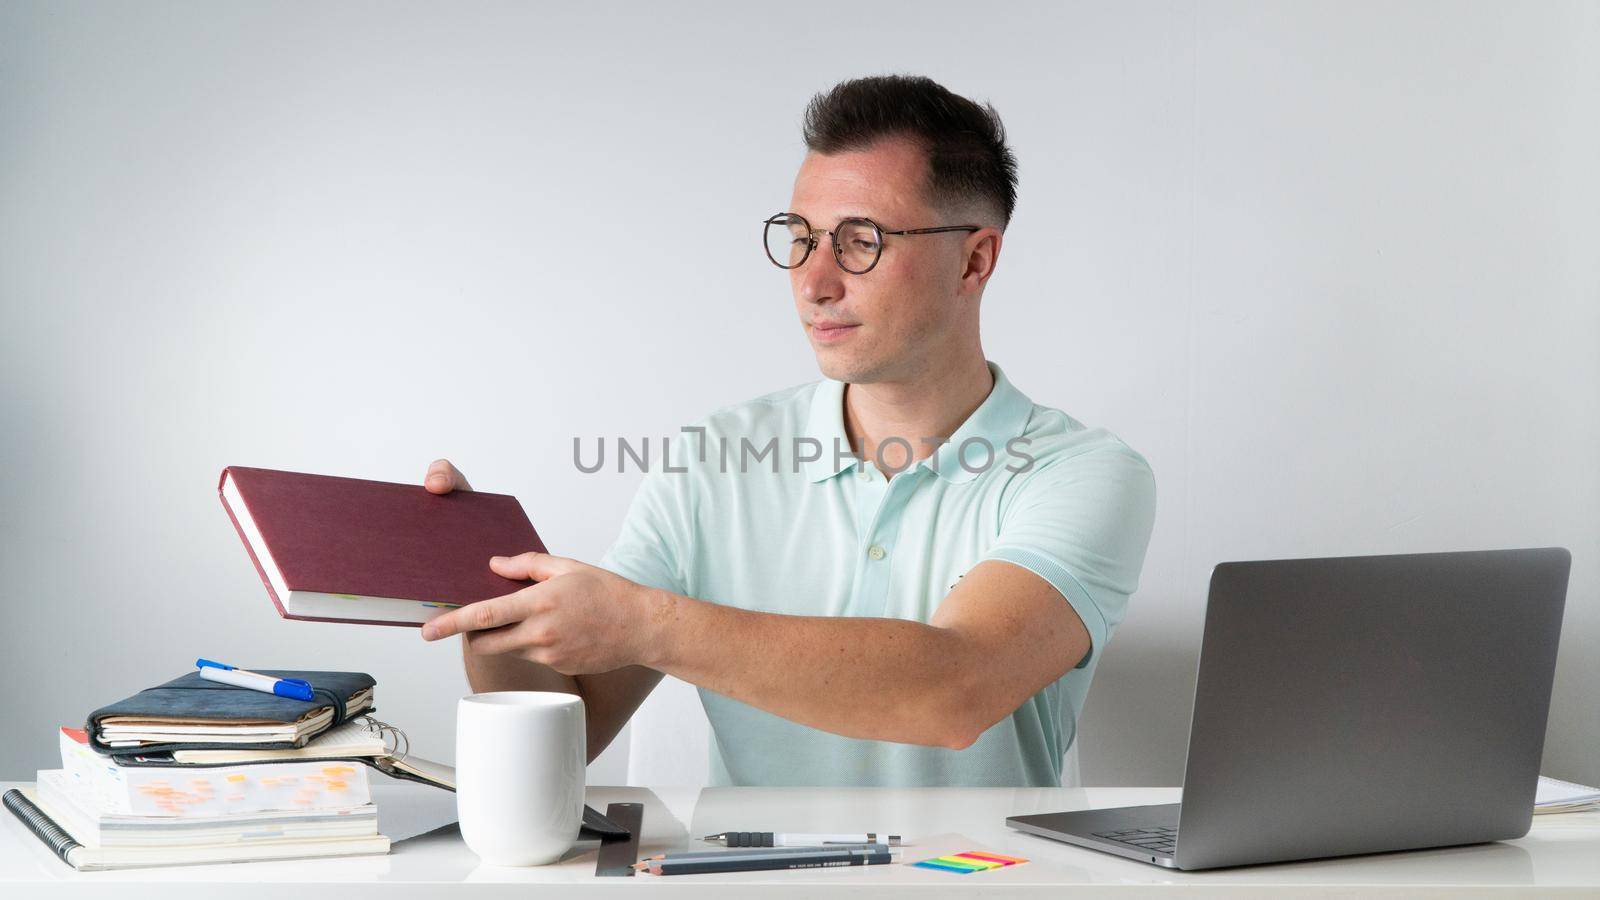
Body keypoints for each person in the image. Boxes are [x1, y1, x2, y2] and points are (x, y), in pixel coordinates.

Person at [419, 74, 1156, 787]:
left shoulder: (1080, 472)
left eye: (861, 239)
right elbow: (568, 733)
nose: (814, 280)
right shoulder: (711, 461)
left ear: (974, 260)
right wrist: (484, 601)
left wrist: (648, 623)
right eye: (800, 236)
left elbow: (953, 690)